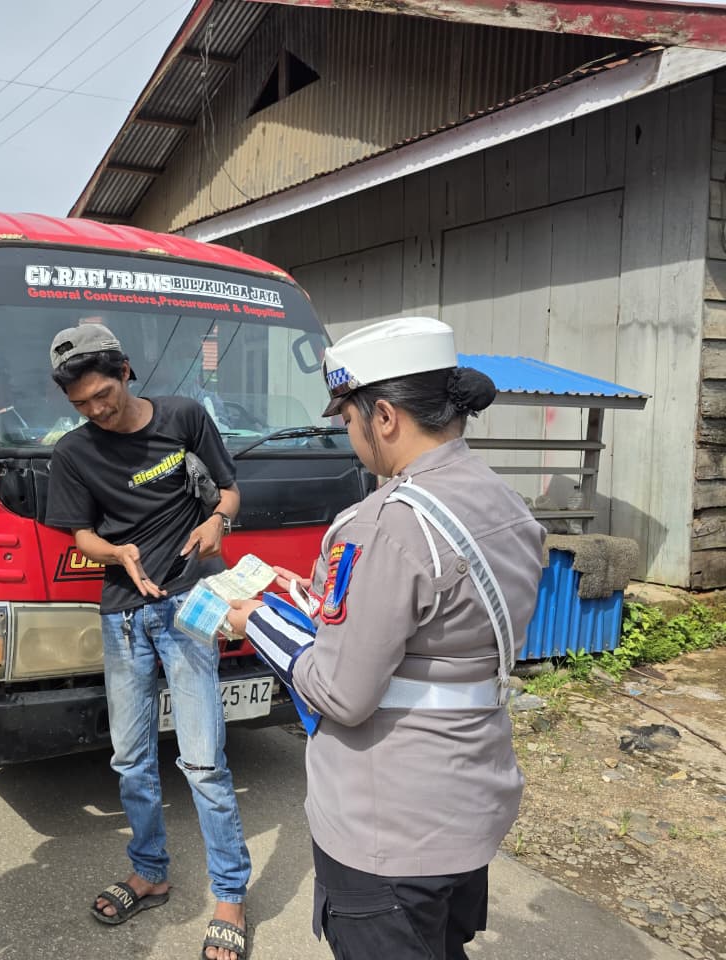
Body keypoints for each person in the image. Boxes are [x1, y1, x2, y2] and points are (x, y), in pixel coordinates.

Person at [224, 317, 545, 960]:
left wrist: (253, 620)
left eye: (348, 419)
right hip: (469, 801)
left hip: (389, 826)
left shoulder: (384, 523)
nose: (349, 435)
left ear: (386, 417)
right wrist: (315, 599)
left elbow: (341, 694)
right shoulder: (501, 499)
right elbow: (437, 631)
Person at [43, 323, 252, 960]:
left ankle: (230, 894)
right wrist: (117, 552)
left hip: (189, 606)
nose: (96, 411)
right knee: (130, 760)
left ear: (126, 371)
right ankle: (150, 871)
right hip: (123, 616)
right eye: (81, 404)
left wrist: (217, 523)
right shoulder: (73, 453)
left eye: (103, 395)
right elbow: (80, 535)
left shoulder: (184, 417)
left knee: (204, 760)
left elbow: (230, 491)